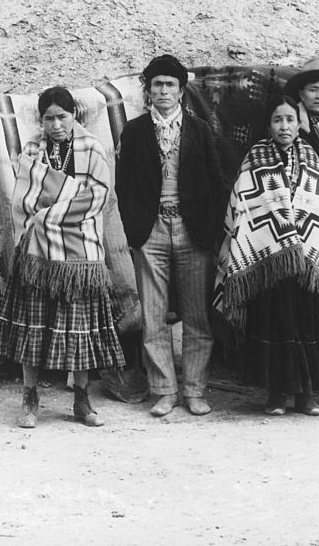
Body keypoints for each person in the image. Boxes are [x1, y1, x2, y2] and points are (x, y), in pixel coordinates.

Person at [0, 86, 125, 428]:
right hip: (38, 251)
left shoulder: (92, 148)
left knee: (77, 328)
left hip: (80, 251)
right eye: (49, 118)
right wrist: (45, 211)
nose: (56, 124)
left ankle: (81, 400)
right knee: (33, 325)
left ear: (73, 115)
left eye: (62, 117)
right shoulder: (33, 148)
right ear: (41, 120)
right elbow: (26, 195)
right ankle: (30, 398)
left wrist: (51, 213)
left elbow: (97, 196)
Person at [214, 97, 319, 415]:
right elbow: (243, 207)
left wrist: (306, 244)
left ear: (299, 124)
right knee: (274, 325)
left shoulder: (311, 157)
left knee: (309, 324)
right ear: (269, 126)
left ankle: (307, 395)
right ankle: (276, 395)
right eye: (278, 120)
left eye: (290, 120)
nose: (284, 126)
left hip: (309, 262)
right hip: (268, 262)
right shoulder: (255, 158)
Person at [115, 54, 225, 417]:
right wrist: (136, 231)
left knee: (197, 316)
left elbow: (215, 182)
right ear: (148, 91)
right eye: (157, 85)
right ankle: (164, 389)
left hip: (193, 230)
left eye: (170, 85)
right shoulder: (134, 131)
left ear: (181, 91)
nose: (163, 91)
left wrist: (209, 230)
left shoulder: (200, 130)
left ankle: (194, 390)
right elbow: (125, 184)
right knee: (154, 314)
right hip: (152, 230)